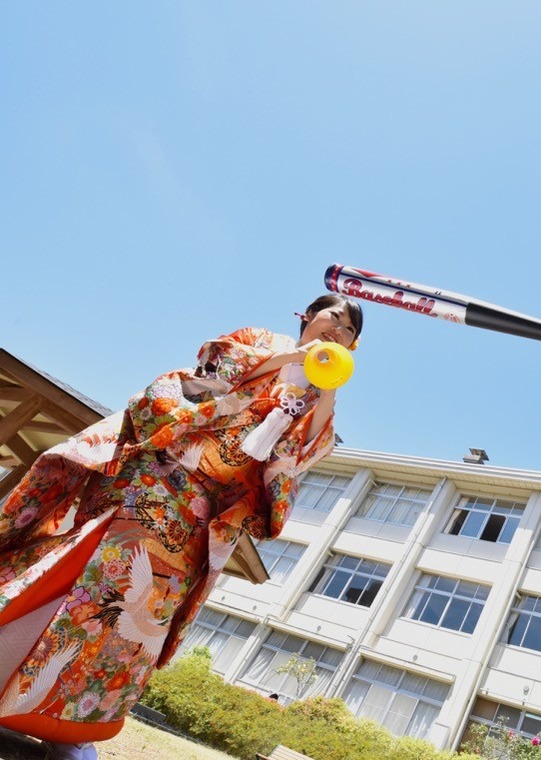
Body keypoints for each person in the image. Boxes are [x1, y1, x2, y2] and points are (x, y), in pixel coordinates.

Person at [0, 294, 362, 760]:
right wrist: (290, 359)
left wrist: (327, 388)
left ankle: (69, 727)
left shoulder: (318, 397)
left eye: (349, 329)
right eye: (334, 317)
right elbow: (208, 370)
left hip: (201, 518)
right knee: (97, 575)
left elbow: (302, 457)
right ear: (307, 316)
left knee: (141, 618)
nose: (338, 329)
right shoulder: (260, 342)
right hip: (158, 476)